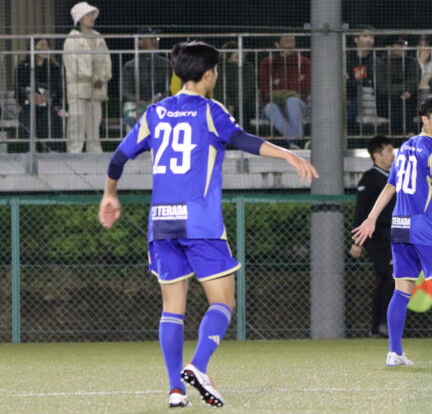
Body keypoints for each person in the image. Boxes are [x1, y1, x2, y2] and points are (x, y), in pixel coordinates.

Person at [98, 41, 318, 408]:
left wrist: (109, 195)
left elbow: (118, 158)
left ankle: (175, 390)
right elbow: (242, 140)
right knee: (223, 301)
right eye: (215, 70)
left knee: (172, 308)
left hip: (161, 221)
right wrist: (288, 154)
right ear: (207, 75)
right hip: (199, 222)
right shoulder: (210, 111)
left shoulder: (155, 113)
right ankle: (198, 366)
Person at [352, 94, 432, 367]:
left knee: (402, 289)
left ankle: (395, 353)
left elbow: (391, 186)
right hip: (426, 225)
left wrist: (371, 218)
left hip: (400, 225)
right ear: (425, 119)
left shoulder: (405, 148)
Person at [350, 135, 396, 338]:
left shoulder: (394, 177)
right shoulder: (369, 179)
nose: (393, 155)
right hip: (377, 239)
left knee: (386, 279)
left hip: (394, 237)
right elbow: (361, 211)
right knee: (391, 275)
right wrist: (357, 241)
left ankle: (378, 326)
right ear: (377, 155)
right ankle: (383, 323)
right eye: (389, 151)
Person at [63, 1, 112, 153]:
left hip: (96, 89)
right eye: (88, 15)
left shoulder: (98, 37)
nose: (92, 18)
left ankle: (95, 155)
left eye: (92, 15)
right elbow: (74, 64)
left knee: (94, 126)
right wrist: (93, 77)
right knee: (76, 124)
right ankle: (74, 154)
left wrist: (103, 77)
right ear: (80, 18)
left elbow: (107, 60)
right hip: (78, 89)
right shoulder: (72, 39)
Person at [259, 35, 311, 148]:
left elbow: (306, 86)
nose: (290, 43)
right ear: (277, 44)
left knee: (292, 101)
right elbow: (265, 87)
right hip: (274, 101)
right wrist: (296, 82)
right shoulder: (267, 62)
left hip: (298, 101)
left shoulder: (304, 62)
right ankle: (298, 140)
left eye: (292, 40)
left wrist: (280, 82)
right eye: (286, 40)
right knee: (269, 108)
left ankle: (294, 142)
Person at [16, 38, 65, 151]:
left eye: (47, 46)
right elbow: (18, 88)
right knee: (27, 119)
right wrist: (29, 95)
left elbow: (58, 89)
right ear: (33, 48)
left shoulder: (54, 67)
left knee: (52, 119)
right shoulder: (23, 66)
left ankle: (52, 152)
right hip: (29, 105)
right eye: (42, 45)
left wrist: (47, 97)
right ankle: (30, 152)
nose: (45, 48)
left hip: (48, 105)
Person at [121, 27, 171, 129]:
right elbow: (125, 91)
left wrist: (159, 100)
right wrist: (140, 101)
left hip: (160, 105)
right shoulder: (130, 66)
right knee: (132, 111)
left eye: (156, 39)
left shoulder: (166, 64)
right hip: (137, 106)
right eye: (150, 39)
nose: (154, 42)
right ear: (140, 42)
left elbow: (170, 88)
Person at [376, 36, 419, 137]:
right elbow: (382, 86)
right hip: (386, 101)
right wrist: (401, 91)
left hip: (409, 100)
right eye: (399, 44)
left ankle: (399, 136)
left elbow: (414, 80)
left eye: (404, 44)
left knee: (402, 102)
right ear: (388, 47)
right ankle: (408, 133)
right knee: (397, 101)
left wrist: (408, 91)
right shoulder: (380, 63)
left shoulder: (411, 62)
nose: (403, 47)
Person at [214, 41, 256, 128]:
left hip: (243, 103)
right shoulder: (220, 68)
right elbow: (219, 88)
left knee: (242, 112)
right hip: (224, 102)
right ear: (228, 57)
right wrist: (228, 104)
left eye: (241, 55)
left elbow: (248, 89)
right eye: (237, 56)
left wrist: (235, 104)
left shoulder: (247, 67)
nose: (240, 58)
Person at [346, 26, 377, 134]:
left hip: (372, 96)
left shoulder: (375, 60)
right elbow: (346, 81)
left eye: (371, 37)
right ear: (356, 40)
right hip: (352, 95)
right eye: (365, 36)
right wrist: (363, 82)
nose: (369, 39)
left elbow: (376, 81)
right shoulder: (347, 59)